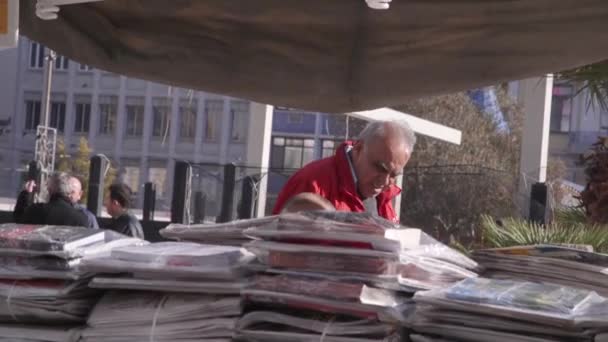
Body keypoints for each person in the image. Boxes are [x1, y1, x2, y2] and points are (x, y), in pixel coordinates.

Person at [273, 120, 416, 223]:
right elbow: (279, 250)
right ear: (358, 149)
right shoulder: (312, 183)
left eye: (393, 175)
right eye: (380, 167)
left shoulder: (384, 199)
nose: (384, 182)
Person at [13, 172, 89, 227]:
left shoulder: (36, 211)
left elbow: (18, 221)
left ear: (50, 190)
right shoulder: (81, 219)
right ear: (69, 192)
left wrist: (25, 194)